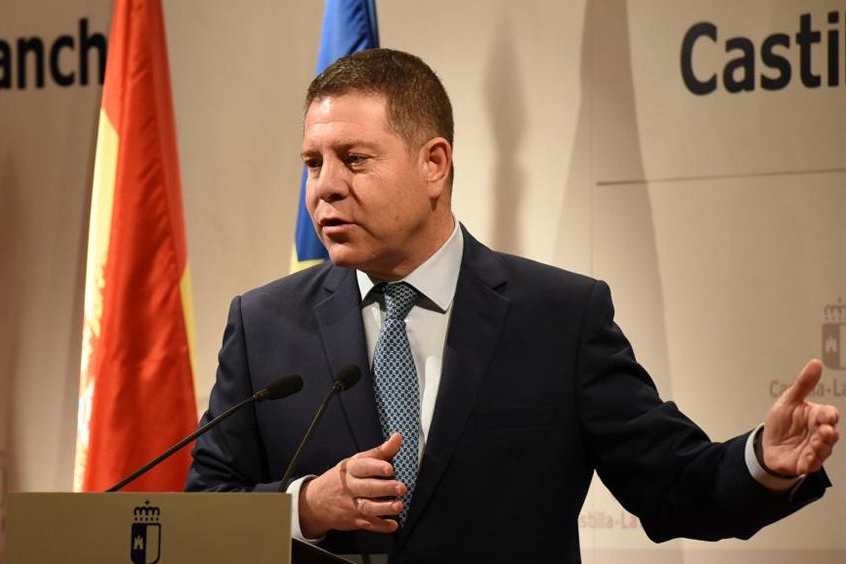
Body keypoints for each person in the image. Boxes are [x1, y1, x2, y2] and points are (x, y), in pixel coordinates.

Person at [185, 48, 839, 562]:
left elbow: (672, 487)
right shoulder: (263, 325)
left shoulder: (560, 317)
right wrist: (305, 506)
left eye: (353, 159)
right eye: (312, 163)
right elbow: (201, 513)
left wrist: (762, 461)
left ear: (434, 164)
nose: (325, 187)